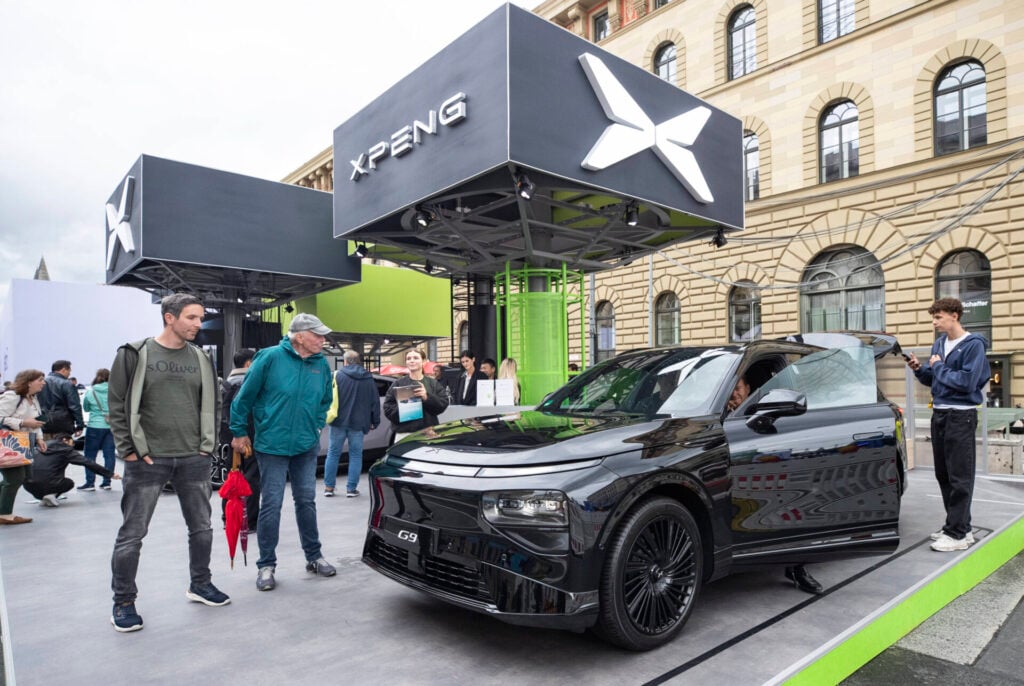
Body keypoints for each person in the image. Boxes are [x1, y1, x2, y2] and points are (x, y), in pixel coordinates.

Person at [108, 293, 229, 634]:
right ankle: (123, 601)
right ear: (169, 317)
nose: (198, 324)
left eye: (200, 317)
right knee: (132, 534)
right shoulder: (134, 353)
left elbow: (214, 403)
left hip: (194, 457)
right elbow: (117, 404)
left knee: (202, 528)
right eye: (191, 317)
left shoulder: (201, 358)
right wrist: (128, 449)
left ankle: (200, 584)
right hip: (148, 459)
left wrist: (207, 446)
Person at [230, 313, 337, 592]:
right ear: (299, 336)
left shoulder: (320, 364)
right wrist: (239, 431)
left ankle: (314, 556)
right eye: (317, 335)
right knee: (271, 504)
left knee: (306, 501)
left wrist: (316, 426)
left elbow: (325, 400)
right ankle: (266, 565)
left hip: (305, 445)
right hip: (272, 445)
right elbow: (244, 398)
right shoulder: (269, 357)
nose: (323, 340)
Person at [906, 297, 991, 553]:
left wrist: (939, 366)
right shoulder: (940, 343)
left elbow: (966, 383)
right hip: (940, 415)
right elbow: (935, 379)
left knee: (960, 477)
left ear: (954, 315)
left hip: (961, 416)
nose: (934, 322)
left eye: (938, 317)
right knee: (943, 475)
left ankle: (957, 534)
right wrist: (919, 369)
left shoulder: (973, 345)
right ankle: (959, 527)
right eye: (933, 318)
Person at [727, 373, 821, 593]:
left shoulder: (763, 407)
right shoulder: (721, 414)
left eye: (738, 389)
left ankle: (796, 567)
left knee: (792, 506)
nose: (734, 395)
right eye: (730, 392)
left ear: (748, 388)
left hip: (767, 473)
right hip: (735, 477)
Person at [324, 350, 380, 498]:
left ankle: (329, 488)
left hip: (338, 421)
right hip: (359, 423)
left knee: (333, 453)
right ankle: (351, 489)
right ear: (358, 361)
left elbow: (326, 396)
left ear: (345, 361)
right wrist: (375, 421)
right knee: (355, 455)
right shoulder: (368, 378)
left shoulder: (337, 375)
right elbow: (374, 402)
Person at [0, 369, 49, 525]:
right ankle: (5, 514)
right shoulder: (12, 396)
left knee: (24, 476)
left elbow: (36, 421)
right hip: (9, 443)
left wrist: (39, 438)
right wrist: (22, 423)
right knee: (14, 478)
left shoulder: (32, 398)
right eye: (40, 380)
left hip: (23, 442)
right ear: (28, 382)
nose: (43, 383)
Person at [221, 348, 260, 530]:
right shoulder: (250, 383)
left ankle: (228, 517)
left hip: (228, 438)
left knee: (232, 476)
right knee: (252, 476)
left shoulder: (225, 384)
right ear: (249, 363)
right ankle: (249, 521)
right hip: (249, 435)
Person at [25, 433, 120, 506]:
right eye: (72, 443)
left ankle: (43, 497)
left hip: (28, 485)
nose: (72, 446)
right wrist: (110, 474)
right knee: (69, 483)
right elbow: (87, 463)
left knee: (43, 477)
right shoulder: (66, 450)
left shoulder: (41, 446)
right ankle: (51, 495)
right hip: (51, 484)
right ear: (65, 440)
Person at [384, 348, 450, 442]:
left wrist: (426, 397)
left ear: (423, 361)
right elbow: (388, 409)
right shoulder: (398, 383)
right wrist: (405, 406)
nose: (412, 361)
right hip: (404, 433)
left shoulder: (433, 383)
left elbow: (443, 404)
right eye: (409, 358)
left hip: (428, 433)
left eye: (415, 358)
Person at [79, 369, 116, 491]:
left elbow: (86, 408)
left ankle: (90, 483)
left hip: (94, 426)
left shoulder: (91, 392)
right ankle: (107, 482)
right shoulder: (115, 391)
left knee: (90, 455)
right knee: (109, 455)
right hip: (111, 426)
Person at [37, 359, 84, 438]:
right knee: (63, 445)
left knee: (45, 445)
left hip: (43, 422)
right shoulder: (67, 384)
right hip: (63, 424)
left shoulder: (41, 383)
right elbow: (74, 406)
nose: (69, 374)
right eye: (69, 371)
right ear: (63, 370)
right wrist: (80, 425)